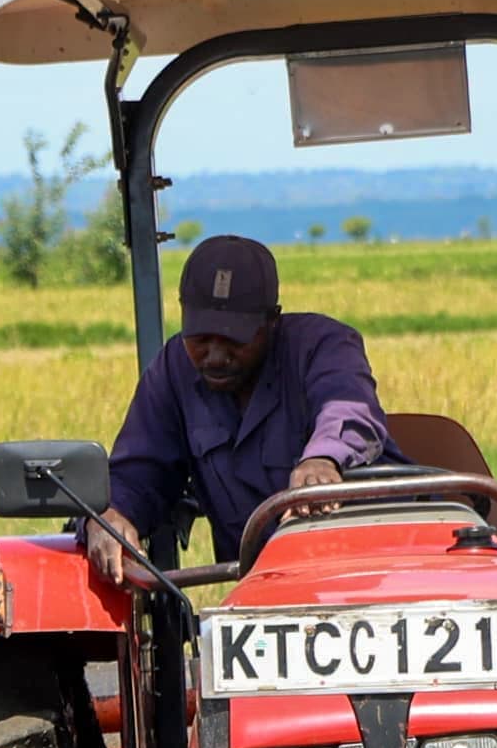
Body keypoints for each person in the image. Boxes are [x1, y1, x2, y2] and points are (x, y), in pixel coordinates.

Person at [88, 232, 390, 574]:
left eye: (234, 340)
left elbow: (350, 409)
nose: (215, 356)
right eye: (200, 338)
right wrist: (111, 515)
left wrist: (323, 459)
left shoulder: (322, 345)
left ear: (272, 320)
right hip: (261, 583)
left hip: (365, 567)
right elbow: (141, 469)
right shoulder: (173, 369)